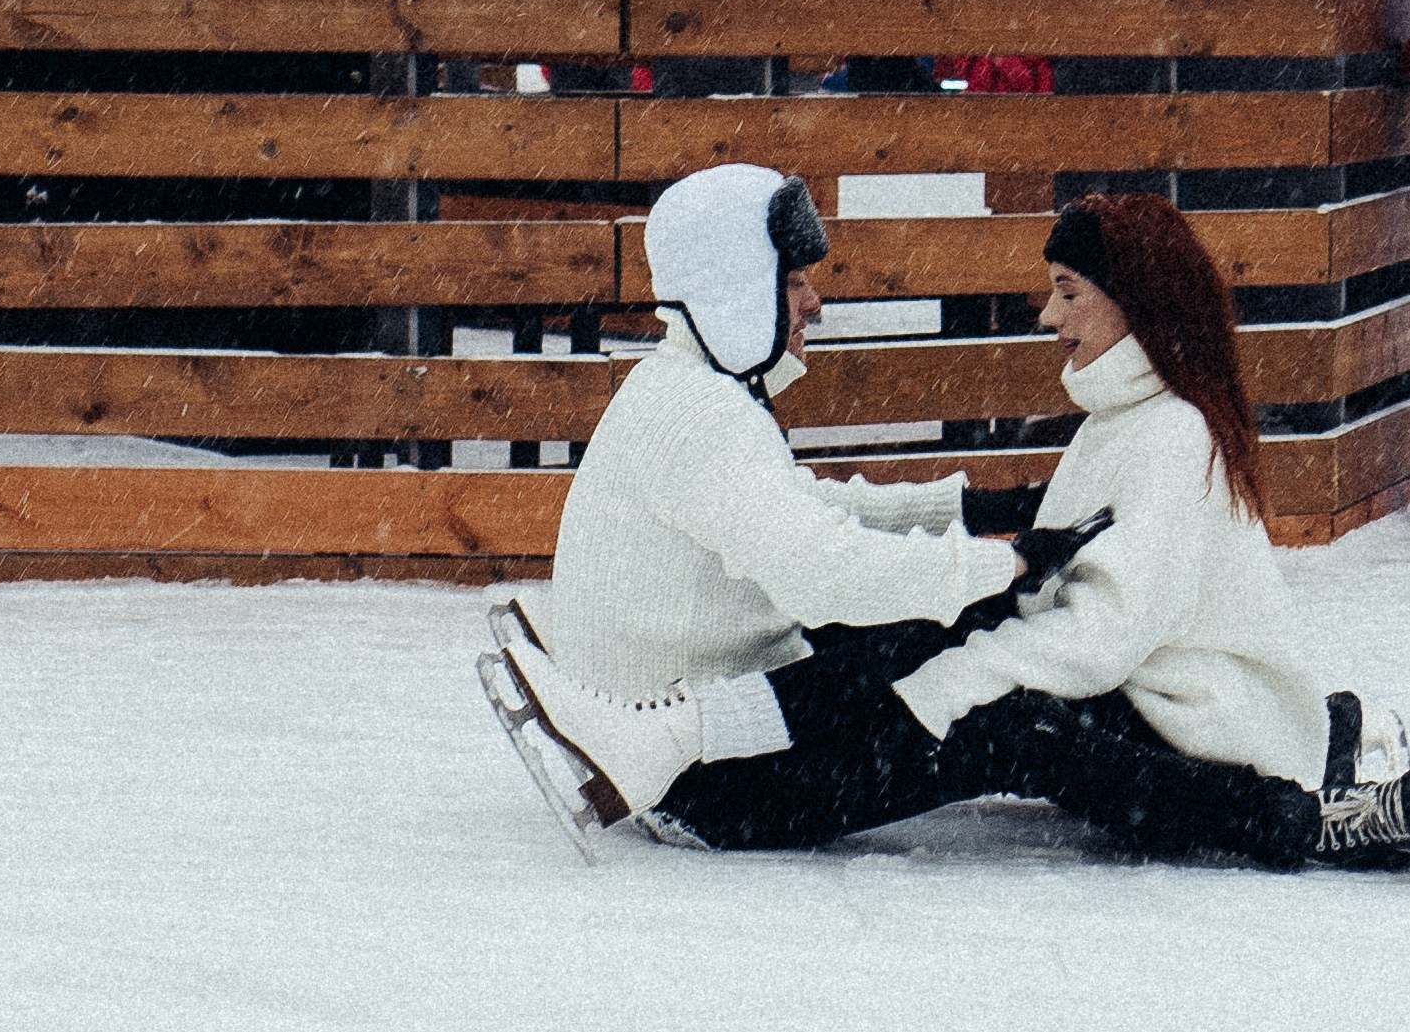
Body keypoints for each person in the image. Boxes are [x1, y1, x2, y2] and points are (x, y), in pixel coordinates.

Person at [479, 169, 1409, 867]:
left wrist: (970, 546)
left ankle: (1310, 783)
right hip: (711, 786)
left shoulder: (682, 393)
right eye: (793, 277)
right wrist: (989, 569)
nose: (814, 301)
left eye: (1068, 292)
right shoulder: (705, 415)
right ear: (731, 281)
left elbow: (821, 518)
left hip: (718, 741)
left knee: (976, 677)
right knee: (968, 681)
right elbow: (824, 564)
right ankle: (1306, 805)